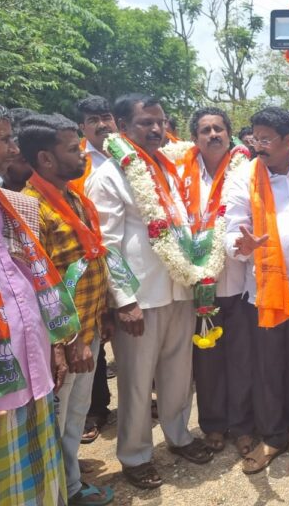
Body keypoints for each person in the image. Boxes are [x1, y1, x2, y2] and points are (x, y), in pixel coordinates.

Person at [86, 94, 213, 490]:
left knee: (179, 373)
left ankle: (178, 436)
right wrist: (123, 300)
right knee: (138, 382)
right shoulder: (109, 175)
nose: (156, 129)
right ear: (123, 127)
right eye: (146, 123)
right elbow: (106, 244)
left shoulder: (165, 166)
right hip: (140, 299)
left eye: (160, 121)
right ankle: (136, 454)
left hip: (179, 290)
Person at [19, 114, 116, 506]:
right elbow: (39, 284)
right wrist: (65, 343)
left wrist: (102, 315)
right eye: (72, 148)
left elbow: (92, 256)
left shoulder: (72, 196)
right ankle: (58, 493)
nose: (81, 154)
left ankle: (70, 485)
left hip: (88, 329)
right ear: (45, 159)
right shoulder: (30, 207)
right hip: (63, 341)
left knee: (75, 418)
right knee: (56, 422)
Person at [224, 106, 289, 474]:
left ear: (287, 141)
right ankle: (273, 435)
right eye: (255, 138)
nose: (257, 145)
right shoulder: (243, 177)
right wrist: (242, 246)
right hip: (263, 289)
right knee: (267, 366)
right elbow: (232, 229)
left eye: (266, 139)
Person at [0, 101, 68, 504]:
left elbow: (28, 287)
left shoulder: (9, 206)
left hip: (30, 376)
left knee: (39, 489)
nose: (15, 149)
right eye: (4, 139)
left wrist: (54, 343)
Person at [183, 108, 254, 457]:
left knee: (242, 359)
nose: (213, 135)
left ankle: (241, 425)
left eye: (219, 129)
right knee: (207, 362)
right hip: (200, 285)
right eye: (205, 130)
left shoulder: (247, 168)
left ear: (229, 134)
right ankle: (213, 424)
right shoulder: (182, 173)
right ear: (195, 138)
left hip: (240, 283)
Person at [72, 95, 118, 444]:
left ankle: (104, 403)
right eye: (93, 119)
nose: (103, 123)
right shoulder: (76, 161)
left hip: (118, 260)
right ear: (83, 128)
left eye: (106, 116)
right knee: (91, 342)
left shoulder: (127, 155)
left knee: (108, 334)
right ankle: (94, 410)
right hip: (82, 263)